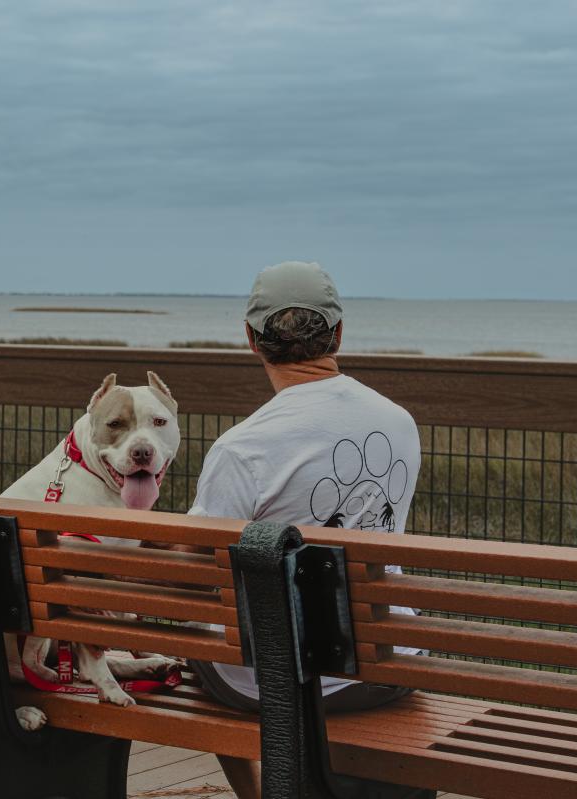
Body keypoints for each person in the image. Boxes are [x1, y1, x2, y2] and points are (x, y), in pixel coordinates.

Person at [186, 262, 423, 799]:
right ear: (338, 333)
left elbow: (198, 570)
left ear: (251, 339)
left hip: (276, 681)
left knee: (205, 638)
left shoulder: (242, 449)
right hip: (392, 665)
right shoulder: (399, 423)